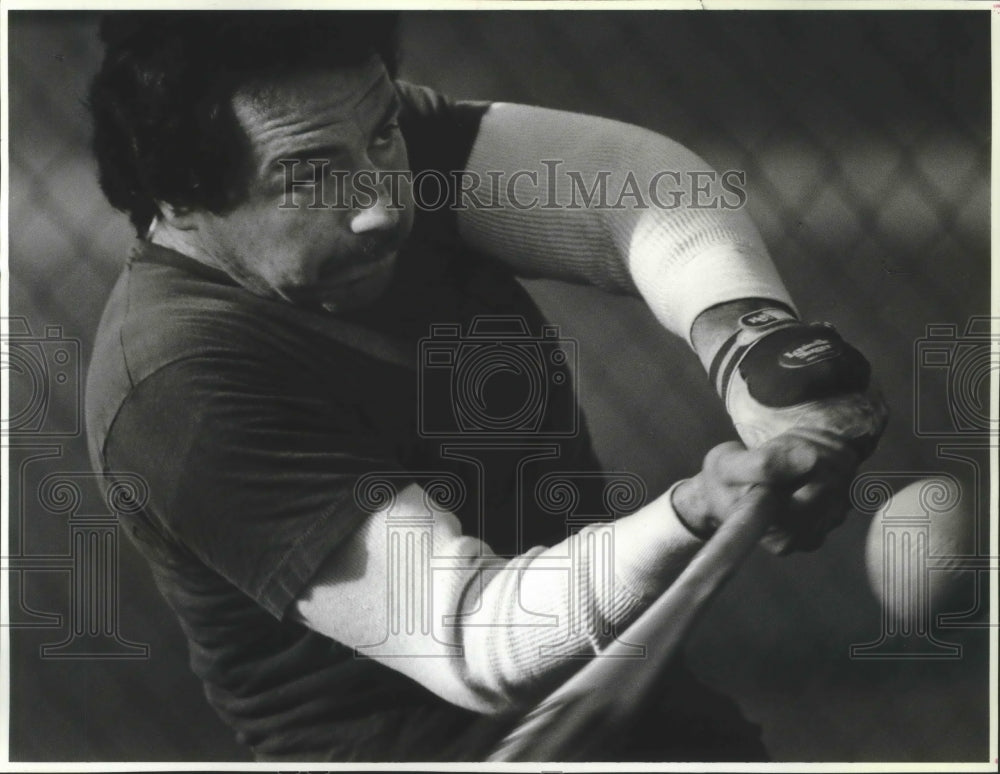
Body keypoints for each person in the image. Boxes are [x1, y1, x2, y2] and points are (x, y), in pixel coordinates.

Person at [84, 12, 887, 762]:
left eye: (384, 133)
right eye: (309, 176)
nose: (382, 203)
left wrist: (755, 351)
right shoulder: (173, 383)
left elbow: (635, 189)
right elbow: (474, 638)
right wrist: (693, 513)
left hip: (634, 715)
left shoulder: (358, 141)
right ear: (179, 195)